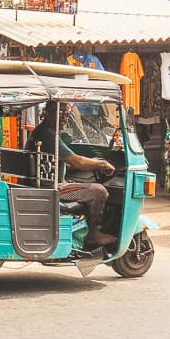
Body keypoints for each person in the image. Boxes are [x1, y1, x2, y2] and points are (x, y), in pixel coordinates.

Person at [27, 101, 117, 248]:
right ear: (48, 114)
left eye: (67, 114)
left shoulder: (44, 131)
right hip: (52, 188)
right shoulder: (48, 134)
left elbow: (65, 161)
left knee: (82, 181)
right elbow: (77, 161)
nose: (65, 118)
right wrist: (101, 164)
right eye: (60, 113)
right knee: (99, 191)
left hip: (46, 182)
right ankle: (92, 234)